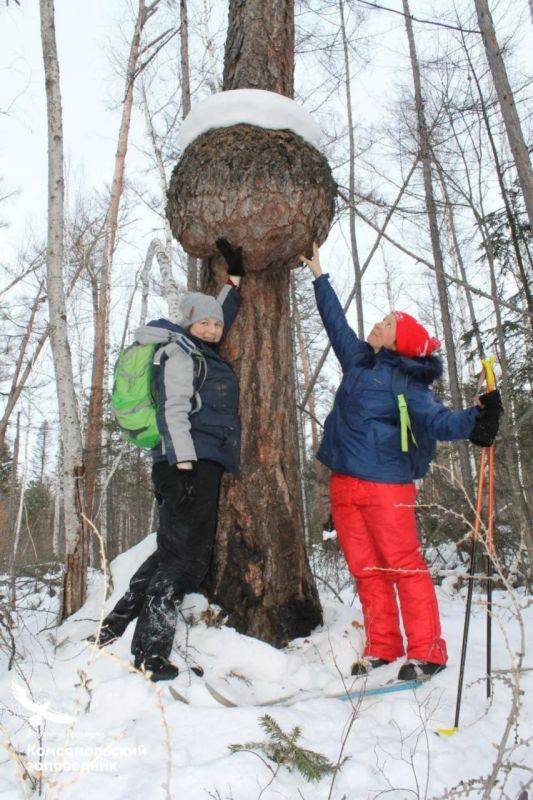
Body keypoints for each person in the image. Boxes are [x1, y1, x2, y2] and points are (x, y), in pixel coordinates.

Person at [300, 242, 503, 681]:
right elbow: (335, 324)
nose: (377, 324)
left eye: (387, 323)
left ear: (401, 341)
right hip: (344, 484)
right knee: (366, 570)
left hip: (387, 486)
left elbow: (440, 422)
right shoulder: (358, 361)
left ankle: (428, 652)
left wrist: (479, 418)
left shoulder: (408, 383)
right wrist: (320, 275)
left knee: (403, 566)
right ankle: (383, 647)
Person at [88, 239, 244, 681]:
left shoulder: (195, 346)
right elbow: (173, 411)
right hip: (185, 464)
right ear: (189, 323)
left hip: (192, 462)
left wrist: (233, 280)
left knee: (170, 551)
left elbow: (220, 315)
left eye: (217, 323)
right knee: (186, 561)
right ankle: (151, 652)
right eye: (206, 323)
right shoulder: (179, 354)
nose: (215, 329)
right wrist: (184, 468)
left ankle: (114, 626)